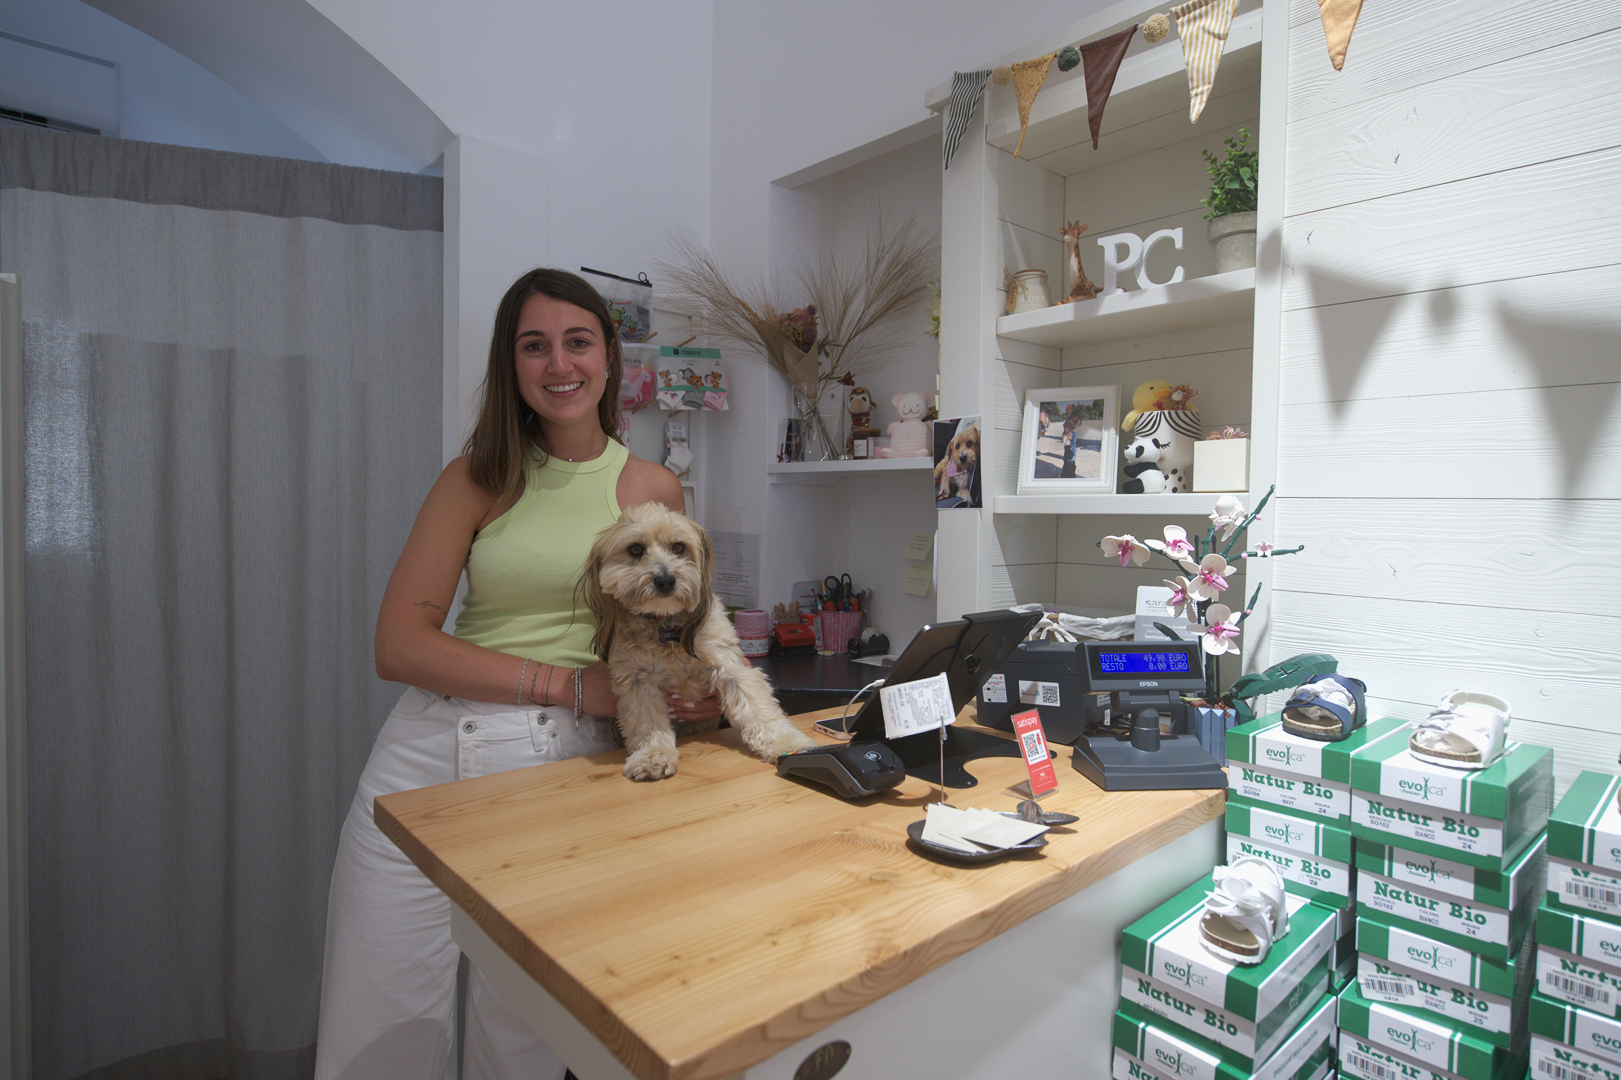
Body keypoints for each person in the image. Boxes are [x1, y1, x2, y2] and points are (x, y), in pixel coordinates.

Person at [314, 269, 721, 1080]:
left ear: (608, 355)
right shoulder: (475, 477)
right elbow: (398, 645)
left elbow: (672, 623)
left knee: (522, 1034)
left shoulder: (651, 486)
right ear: (511, 363)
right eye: (534, 346)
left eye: (577, 342)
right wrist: (568, 685)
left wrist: (695, 690)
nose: (558, 364)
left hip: (563, 766)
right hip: (428, 756)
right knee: (378, 1022)